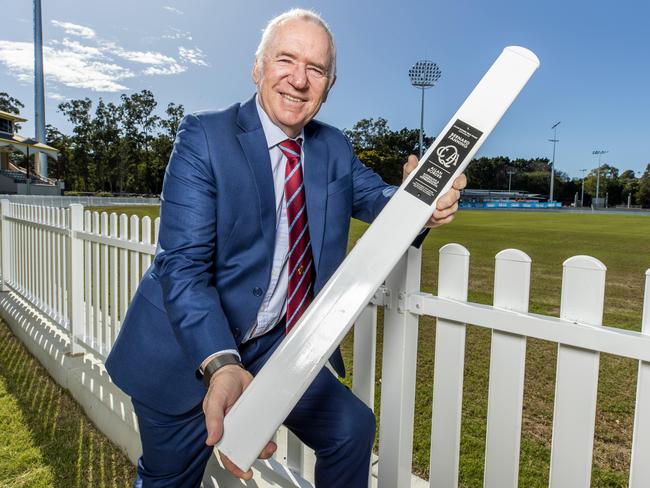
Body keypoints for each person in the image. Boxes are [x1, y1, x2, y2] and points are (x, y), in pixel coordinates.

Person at [106, 8, 466, 488]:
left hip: (274, 346)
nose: (299, 80)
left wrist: (421, 201)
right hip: (188, 350)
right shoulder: (204, 137)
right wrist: (222, 362)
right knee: (169, 480)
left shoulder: (333, 148)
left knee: (350, 428)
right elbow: (182, 269)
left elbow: (383, 202)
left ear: (329, 83)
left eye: (315, 69)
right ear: (257, 68)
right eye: (285, 60)